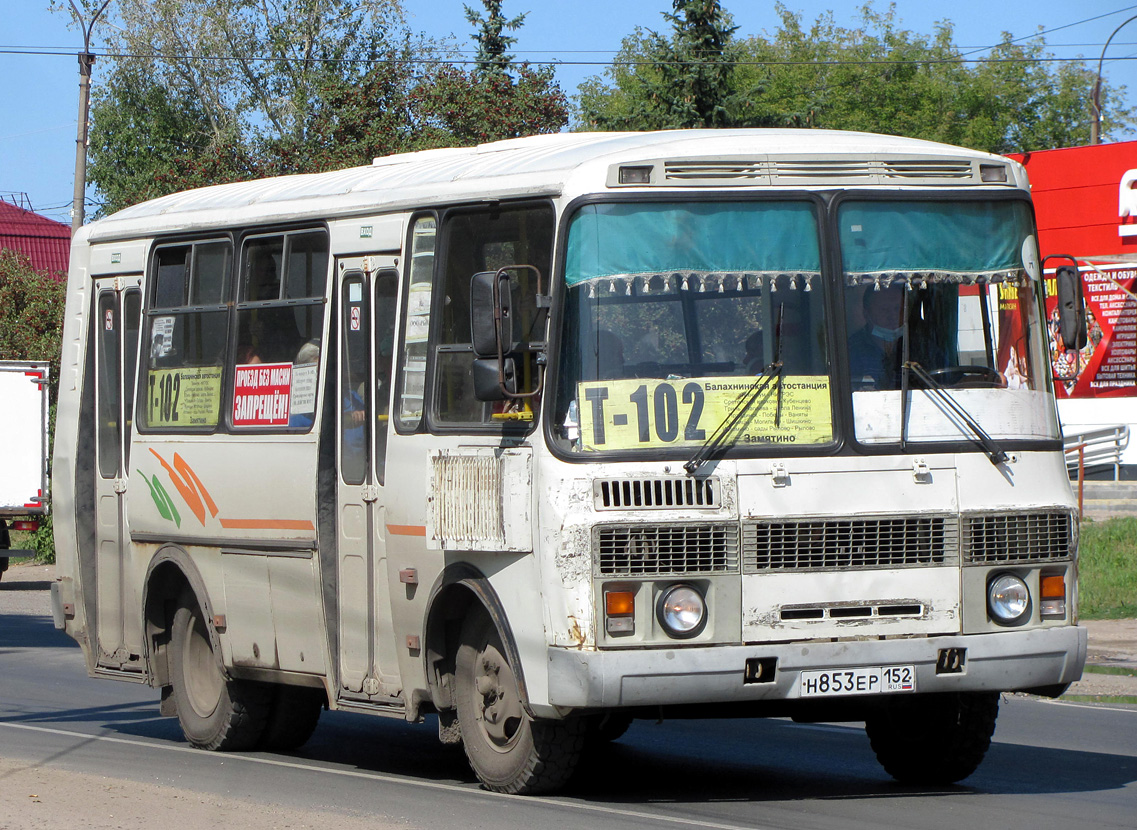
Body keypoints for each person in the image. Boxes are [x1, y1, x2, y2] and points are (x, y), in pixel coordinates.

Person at [848, 286, 905, 389]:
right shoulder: (850, 350)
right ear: (866, 314)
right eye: (884, 309)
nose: (892, 316)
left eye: (897, 309)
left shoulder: (920, 346)